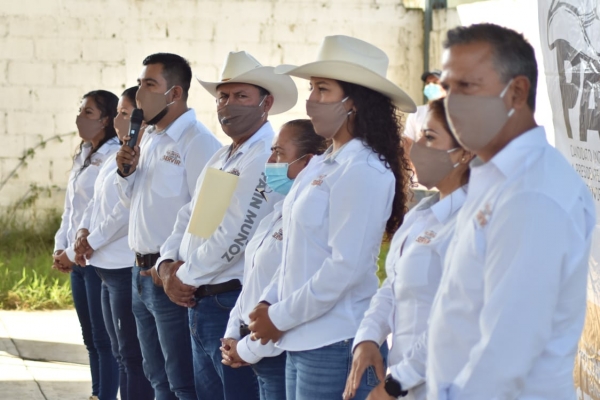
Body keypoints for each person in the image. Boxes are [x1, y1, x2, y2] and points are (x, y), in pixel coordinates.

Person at [426, 24, 595, 399]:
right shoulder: (498, 176)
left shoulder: (533, 193)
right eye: (447, 88)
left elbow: (505, 354)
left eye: (467, 87)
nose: (452, 103)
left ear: (517, 92)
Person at [248, 35, 416, 400]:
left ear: (353, 102)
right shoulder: (324, 162)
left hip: (332, 340)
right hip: (300, 336)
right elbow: (294, 249)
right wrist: (269, 303)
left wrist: (279, 316)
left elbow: (346, 267)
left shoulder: (364, 168)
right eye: (311, 88)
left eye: (322, 89)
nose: (310, 100)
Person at [155, 50, 297, 400]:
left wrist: (181, 278)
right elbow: (190, 213)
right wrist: (166, 263)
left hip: (227, 301)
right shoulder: (224, 153)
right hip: (200, 299)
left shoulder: (265, 154)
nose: (228, 104)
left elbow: (237, 230)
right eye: (223, 96)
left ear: (266, 103)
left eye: (241, 96)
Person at [344, 98, 473, 400]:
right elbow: (392, 286)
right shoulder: (421, 214)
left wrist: (395, 384)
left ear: (465, 151)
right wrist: (368, 338)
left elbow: (454, 321)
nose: (415, 148)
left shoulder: (475, 222)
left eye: (430, 137)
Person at [115, 53, 221, 400]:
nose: (139, 93)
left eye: (149, 84)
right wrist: (125, 172)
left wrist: (175, 270)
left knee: (181, 382)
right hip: (140, 274)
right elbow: (136, 204)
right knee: (156, 377)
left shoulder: (197, 141)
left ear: (174, 94)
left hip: (169, 277)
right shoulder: (151, 138)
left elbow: (206, 216)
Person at [220, 119, 329, 400]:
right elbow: (252, 282)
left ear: (308, 162)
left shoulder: (311, 219)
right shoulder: (277, 213)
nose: (270, 161)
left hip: (275, 352)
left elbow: (289, 289)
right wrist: (233, 332)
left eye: (279, 153)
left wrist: (248, 349)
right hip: (252, 347)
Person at [74, 86, 154, 400]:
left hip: (120, 265)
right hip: (103, 266)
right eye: (118, 113)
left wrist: (91, 239)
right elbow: (95, 201)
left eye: (124, 114)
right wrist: (82, 231)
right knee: (119, 352)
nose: (118, 120)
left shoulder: (140, 154)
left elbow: (124, 210)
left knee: (131, 356)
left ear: (140, 119)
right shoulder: (117, 154)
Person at [53, 90, 121, 400]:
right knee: (89, 337)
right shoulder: (84, 153)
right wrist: (61, 246)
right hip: (75, 255)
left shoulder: (114, 155)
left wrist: (76, 249)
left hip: (95, 256)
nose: (80, 118)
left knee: (105, 338)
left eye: (88, 113)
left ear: (106, 119)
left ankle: (104, 395)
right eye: (80, 111)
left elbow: (107, 211)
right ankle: (97, 393)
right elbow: (72, 209)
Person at [403, 70, 445, 145]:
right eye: (428, 83)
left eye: (435, 82)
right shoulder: (416, 112)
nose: (430, 86)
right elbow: (407, 144)